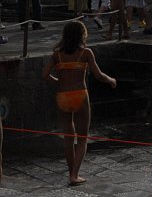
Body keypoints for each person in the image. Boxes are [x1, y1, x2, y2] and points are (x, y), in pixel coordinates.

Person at [41, 20, 117, 186]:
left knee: (68, 138)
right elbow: (98, 75)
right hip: (80, 96)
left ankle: (71, 173)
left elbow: (45, 75)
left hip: (62, 96)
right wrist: (111, 80)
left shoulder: (57, 55)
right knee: (82, 138)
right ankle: (75, 175)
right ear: (82, 35)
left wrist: (59, 82)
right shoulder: (85, 53)